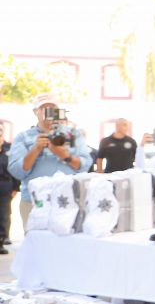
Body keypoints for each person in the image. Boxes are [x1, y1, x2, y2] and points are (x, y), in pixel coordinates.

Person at [7, 94, 92, 227]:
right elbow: (17, 172)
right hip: (34, 201)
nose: (49, 113)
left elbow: (85, 165)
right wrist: (35, 149)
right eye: (44, 109)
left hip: (68, 199)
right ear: (36, 112)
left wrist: (65, 155)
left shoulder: (72, 134)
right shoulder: (23, 137)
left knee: (69, 243)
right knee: (36, 243)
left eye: (53, 109)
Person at [0, 123, 19, 254]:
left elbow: (15, 168)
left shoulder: (9, 148)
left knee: (4, 214)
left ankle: (1, 239)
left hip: (5, 185)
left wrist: (16, 187)